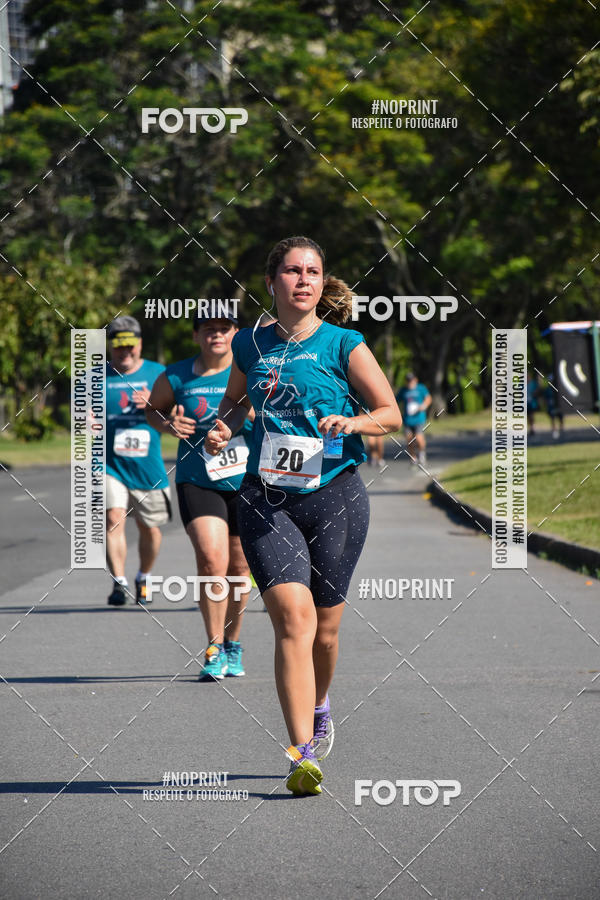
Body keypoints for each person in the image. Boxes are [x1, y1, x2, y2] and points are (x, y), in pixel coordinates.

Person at [205, 236, 402, 795]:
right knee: (293, 619)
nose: (304, 280)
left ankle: (319, 704)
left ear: (322, 283)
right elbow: (237, 404)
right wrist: (223, 427)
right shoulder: (248, 343)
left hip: (335, 496)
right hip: (265, 498)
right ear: (272, 282)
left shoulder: (345, 343)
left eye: (313, 271)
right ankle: (301, 754)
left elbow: (391, 413)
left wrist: (354, 424)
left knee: (326, 630)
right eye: (293, 271)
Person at [146, 311, 253, 680]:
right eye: (209, 330)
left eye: (224, 329)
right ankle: (213, 646)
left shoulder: (251, 370)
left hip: (247, 482)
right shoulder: (176, 375)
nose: (217, 336)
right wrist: (167, 423)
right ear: (196, 336)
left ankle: (233, 643)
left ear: (235, 334)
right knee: (211, 561)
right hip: (198, 479)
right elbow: (152, 409)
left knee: (240, 570)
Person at [105, 316, 171, 606]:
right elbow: (79, 421)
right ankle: (118, 583)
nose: (125, 352)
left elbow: (178, 415)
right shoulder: (95, 378)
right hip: (109, 465)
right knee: (112, 518)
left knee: (150, 528)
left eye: (130, 345)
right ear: (110, 347)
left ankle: (144, 575)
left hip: (147, 467)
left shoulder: (159, 374)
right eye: (119, 346)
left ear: (140, 344)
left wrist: (154, 403)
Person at [396, 372, 431, 465]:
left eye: (411, 380)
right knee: (409, 439)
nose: (409, 383)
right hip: (407, 419)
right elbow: (396, 401)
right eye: (407, 381)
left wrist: (424, 405)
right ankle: (413, 457)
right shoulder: (403, 390)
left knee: (419, 438)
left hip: (419, 418)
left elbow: (428, 398)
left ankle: (422, 453)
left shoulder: (421, 388)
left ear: (415, 380)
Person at [545, 375, 564, 439]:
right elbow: (546, 399)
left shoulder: (558, 388)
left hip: (558, 406)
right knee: (552, 419)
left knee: (560, 418)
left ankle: (561, 429)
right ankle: (554, 430)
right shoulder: (548, 389)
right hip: (551, 406)